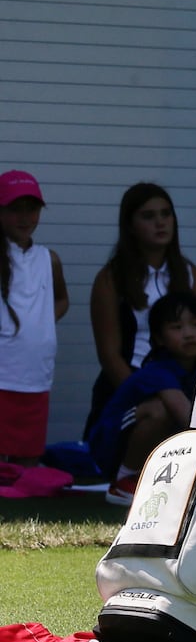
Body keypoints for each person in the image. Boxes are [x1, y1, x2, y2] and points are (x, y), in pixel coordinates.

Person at [84, 183, 196, 438]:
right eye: (148, 216)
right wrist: (143, 393)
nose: (160, 223)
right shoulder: (110, 279)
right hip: (130, 387)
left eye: (166, 214)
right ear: (130, 225)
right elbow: (109, 356)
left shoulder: (191, 275)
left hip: (185, 385)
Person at [89, 291, 196, 505]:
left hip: (157, 446)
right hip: (111, 445)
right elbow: (187, 419)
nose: (189, 334)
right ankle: (125, 481)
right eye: (177, 328)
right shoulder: (157, 371)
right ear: (159, 338)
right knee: (160, 411)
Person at [0, 171, 69, 466]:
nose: (25, 217)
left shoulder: (48, 258)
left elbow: (62, 300)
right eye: (15, 208)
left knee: (26, 457)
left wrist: (39, 326)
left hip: (36, 371)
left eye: (32, 208)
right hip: (4, 370)